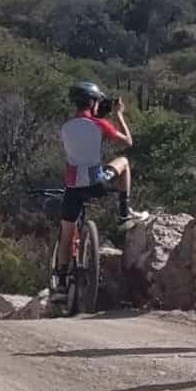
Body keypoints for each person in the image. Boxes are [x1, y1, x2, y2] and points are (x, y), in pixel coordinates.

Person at [55, 81, 148, 294]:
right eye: (97, 102)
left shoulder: (65, 127)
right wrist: (119, 115)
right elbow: (127, 142)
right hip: (97, 182)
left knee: (66, 234)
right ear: (91, 102)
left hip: (72, 187)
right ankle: (124, 214)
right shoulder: (100, 125)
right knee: (123, 161)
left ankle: (60, 284)